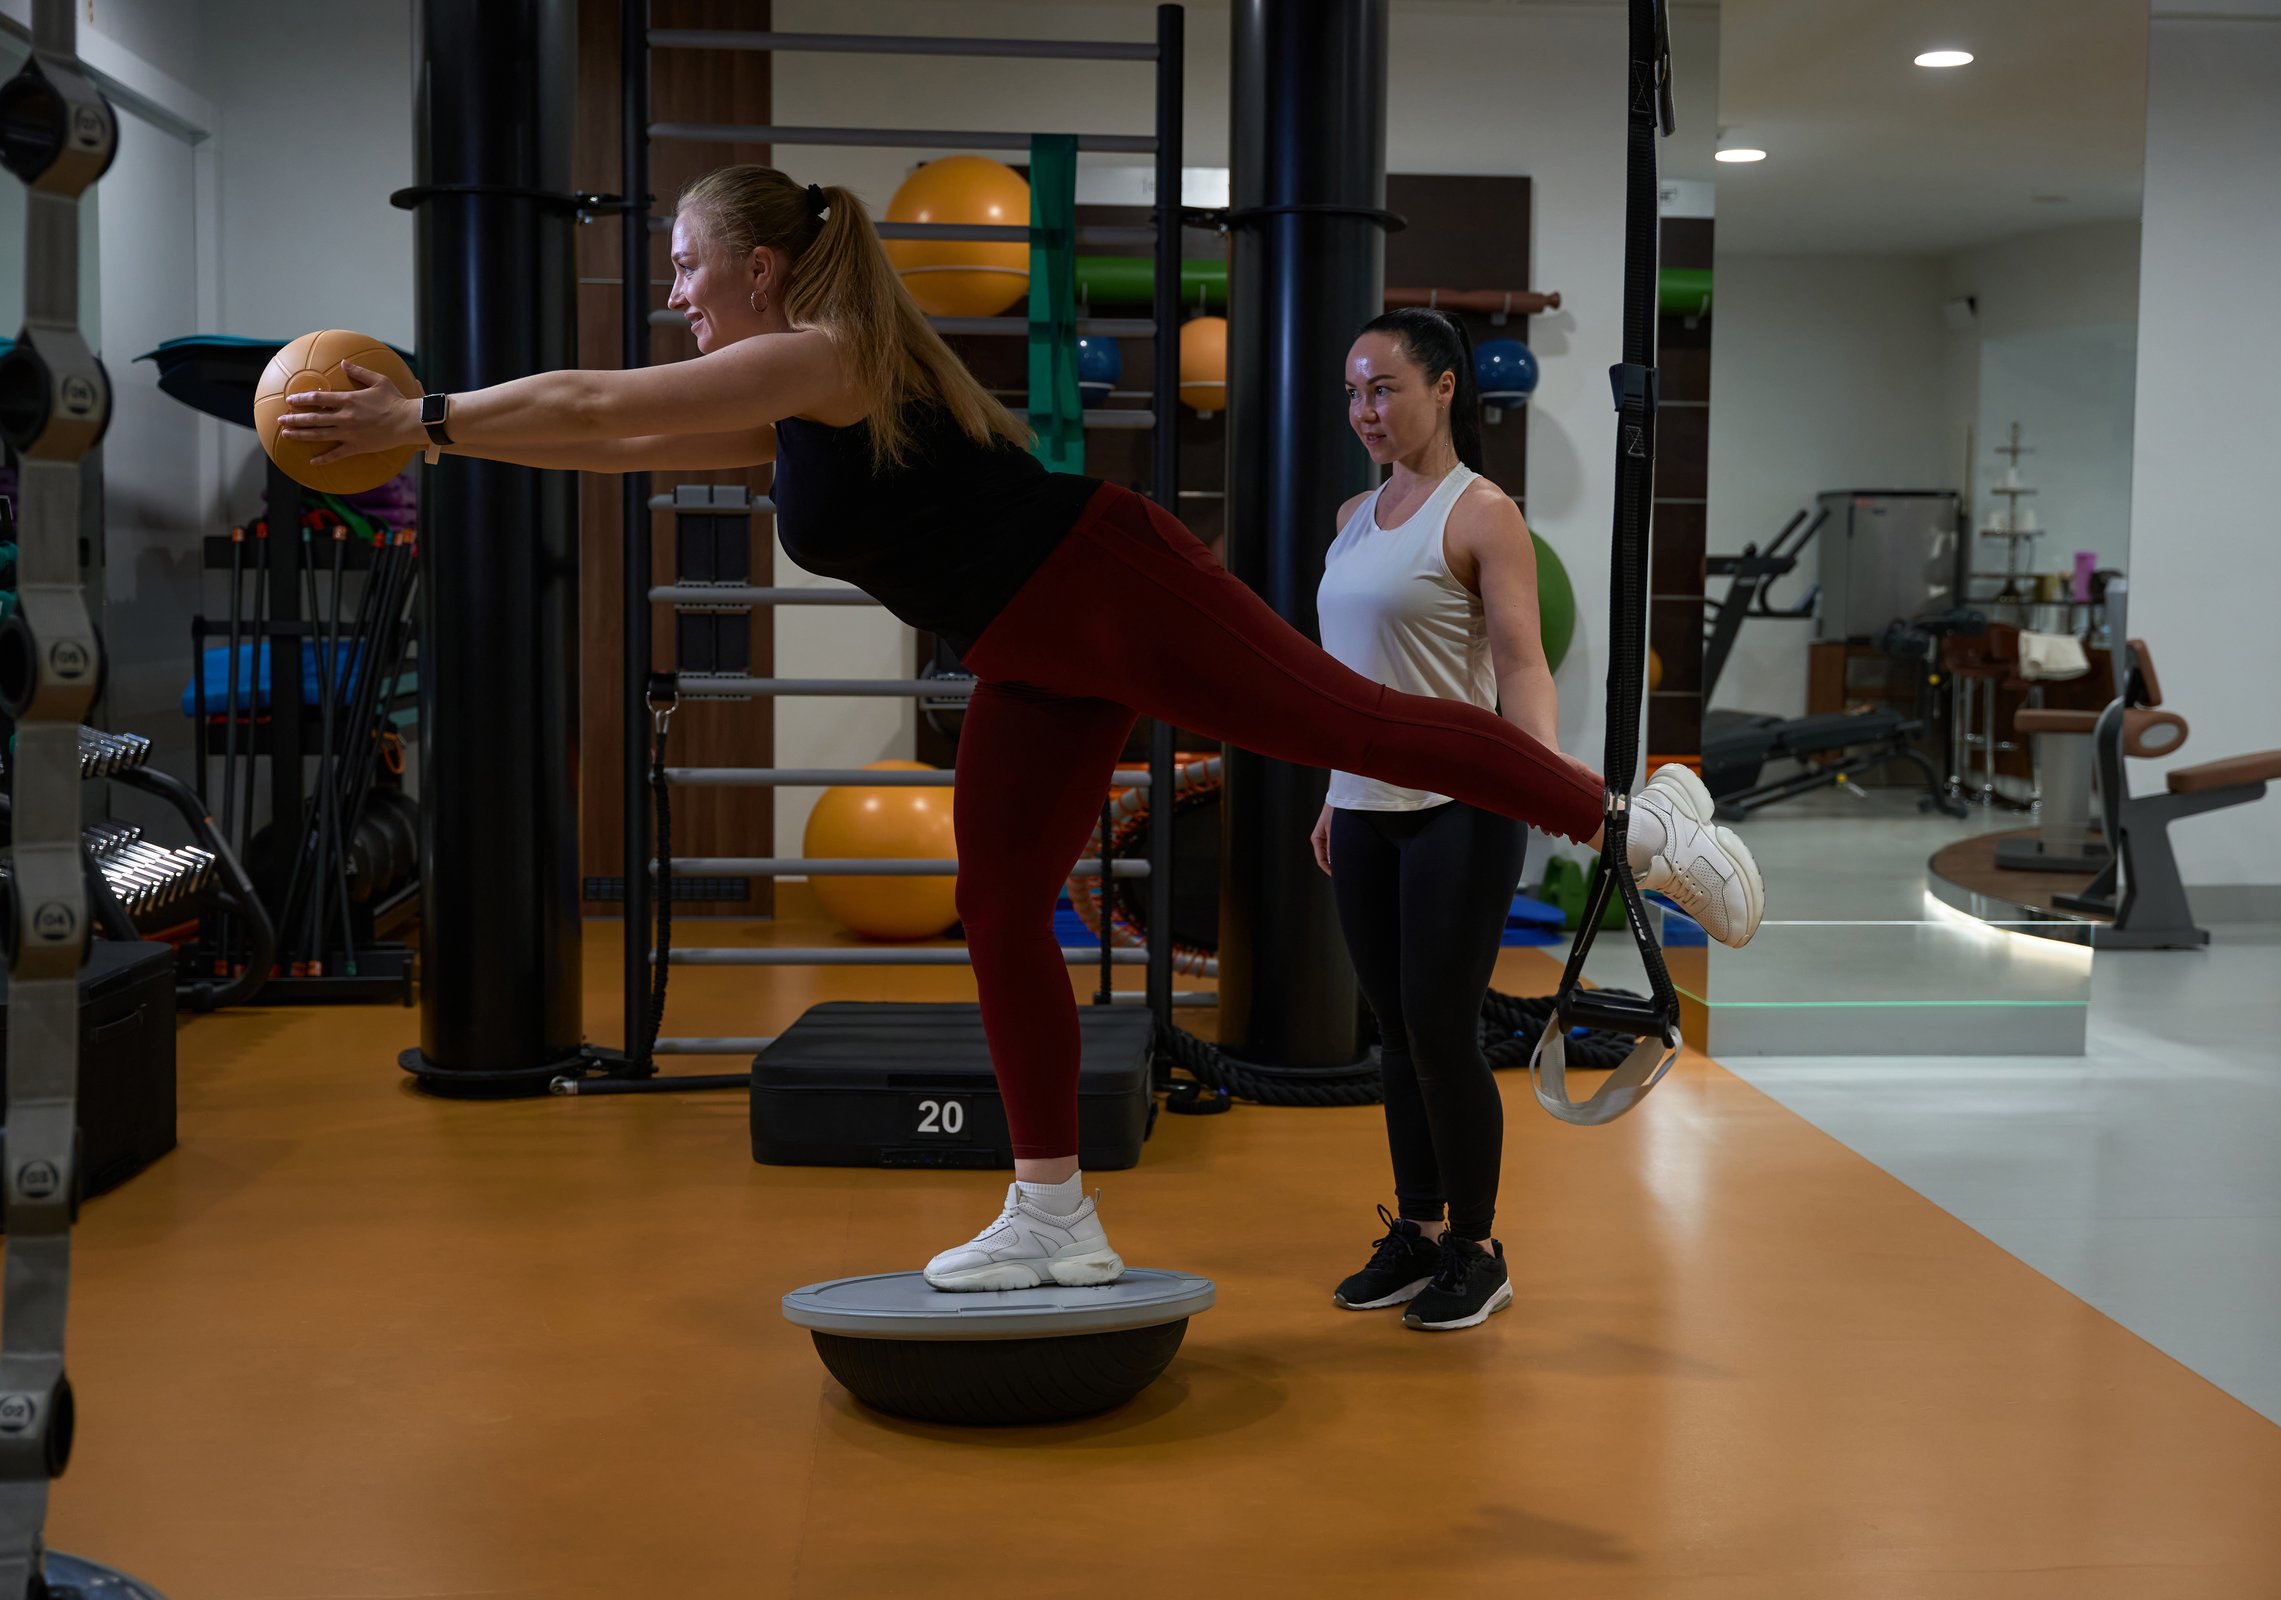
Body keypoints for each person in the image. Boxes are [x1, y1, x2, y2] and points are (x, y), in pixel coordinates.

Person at [279, 165, 1764, 1295]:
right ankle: (1053, 1210)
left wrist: (426, 419)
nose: (676, 289)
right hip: (1030, 646)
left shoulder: (822, 348)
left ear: (764, 264)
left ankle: (1634, 826)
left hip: (1102, 587)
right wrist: (444, 432)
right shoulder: (785, 395)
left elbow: (602, 402)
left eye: (685, 264)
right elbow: (622, 434)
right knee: (995, 903)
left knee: (1353, 720)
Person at [1314, 309, 1760, 1332]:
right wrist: (1330, 794)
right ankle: (1417, 1231)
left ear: (1442, 389)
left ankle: (1477, 1247)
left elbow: (1522, 664)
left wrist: (1543, 783)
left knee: (1440, 1029)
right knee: (1392, 1033)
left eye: (1383, 386)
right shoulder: (1350, 515)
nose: (1365, 410)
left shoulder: (1483, 514)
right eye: (1353, 391)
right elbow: (1346, 683)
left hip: (1459, 811)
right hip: (1366, 810)